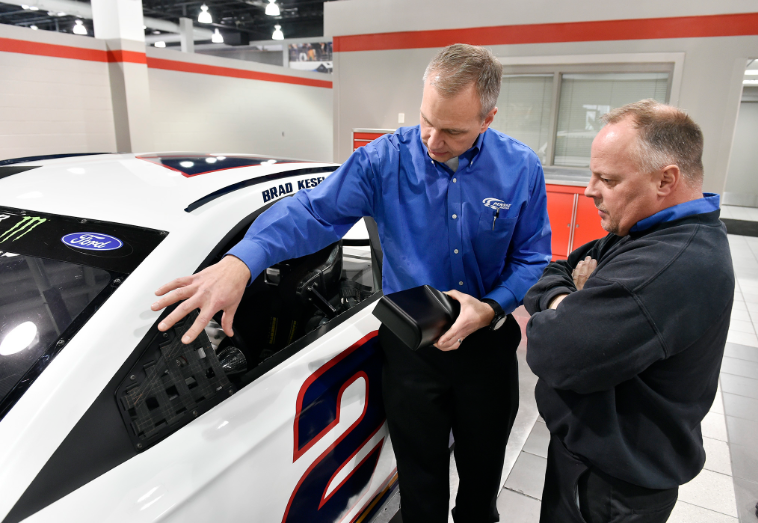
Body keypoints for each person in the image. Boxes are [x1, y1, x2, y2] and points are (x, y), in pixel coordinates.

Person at [151, 43, 552, 523]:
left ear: (488, 119)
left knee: (481, 484)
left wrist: (491, 306)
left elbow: (533, 258)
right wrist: (243, 260)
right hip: (412, 352)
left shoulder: (520, 169)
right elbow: (314, 212)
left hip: (487, 349)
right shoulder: (383, 161)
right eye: (427, 120)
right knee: (420, 488)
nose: (432, 141)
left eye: (452, 131)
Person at [523, 99, 734, 523]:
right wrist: (575, 299)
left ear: (666, 179)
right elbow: (554, 271)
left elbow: (553, 351)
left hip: (612, 487)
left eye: (607, 178)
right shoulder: (645, 229)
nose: (589, 190)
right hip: (591, 459)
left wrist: (570, 304)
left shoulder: (671, 263)